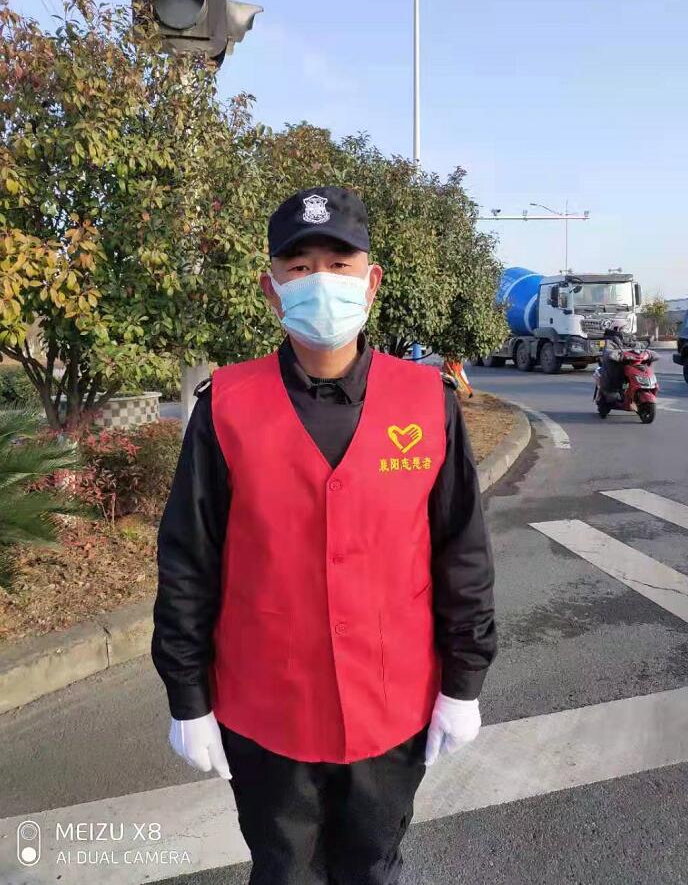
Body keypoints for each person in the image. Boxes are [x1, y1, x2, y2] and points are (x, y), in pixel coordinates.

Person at [152, 186, 497, 885]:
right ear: (271, 289)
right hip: (265, 712)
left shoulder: (427, 403)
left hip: (392, 705)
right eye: (300, 266)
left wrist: (463, 683)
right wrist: (187, 695)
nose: (321, 281)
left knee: (374, 867)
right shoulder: (226, 407)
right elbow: (189, 559)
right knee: (283, 872)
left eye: (339, 265)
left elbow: (461, 552)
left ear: (371, 281)